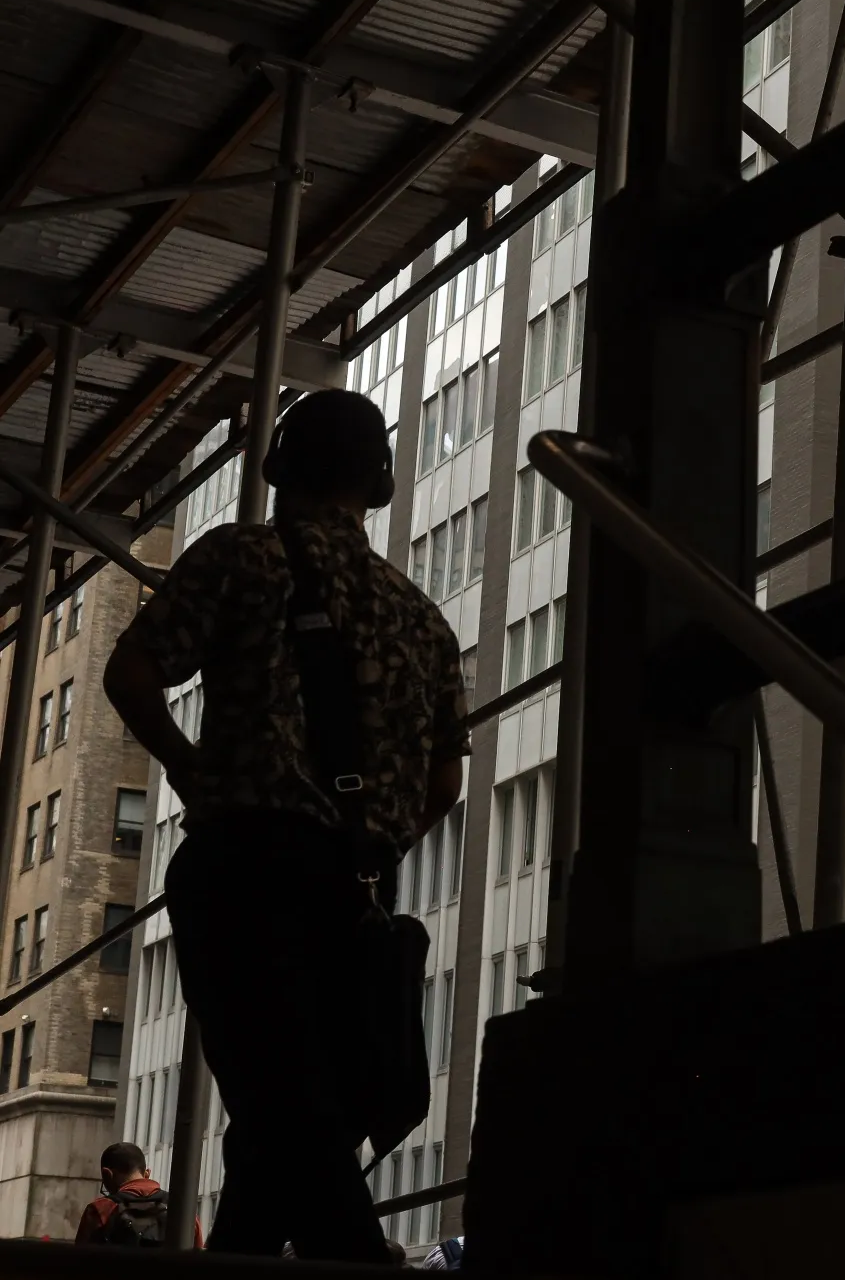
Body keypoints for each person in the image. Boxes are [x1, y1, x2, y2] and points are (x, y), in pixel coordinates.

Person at [105, 390, 469, 1264]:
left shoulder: (243, 558)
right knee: (286, 1116)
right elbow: (444, 784)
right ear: (379, 482)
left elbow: (132, 672)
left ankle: (359, 1260)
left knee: (280, 1105)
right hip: (356, 892)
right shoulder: (423, 619)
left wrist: (194, 769)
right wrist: (370, 847)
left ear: (274, 470)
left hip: (247, 866)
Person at [75, 1142, 198, 1247]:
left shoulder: (100, 1210)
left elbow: (80, 1264)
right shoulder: (182, 1209)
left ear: (107, 1174)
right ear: (147, 1173)